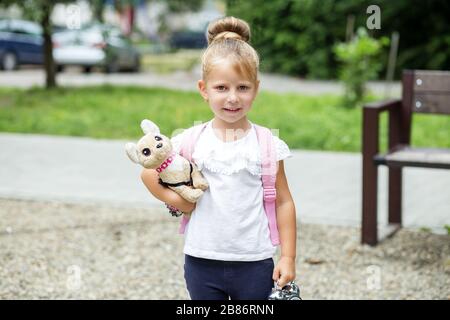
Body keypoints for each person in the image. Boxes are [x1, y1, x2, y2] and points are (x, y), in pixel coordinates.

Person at [141, 16, 297, 300]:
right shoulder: (190, 140)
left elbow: (284, 201)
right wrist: (178, 201)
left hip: (255, 261)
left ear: (256, 88)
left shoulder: (267, 144)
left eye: (243, 87)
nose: (233, 98)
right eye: (221, 88)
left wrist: (288, 257)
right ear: (204, 89)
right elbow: (149, 173)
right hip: (201, 260)